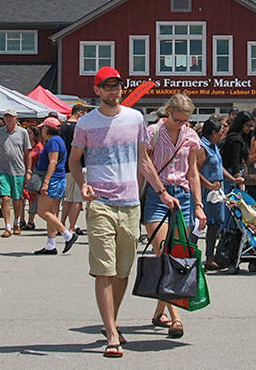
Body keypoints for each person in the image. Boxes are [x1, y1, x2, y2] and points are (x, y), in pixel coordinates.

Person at [68, 67, 179, 358]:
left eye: (117, 86)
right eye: (107, 87)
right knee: (104, 271)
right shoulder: (86, 124)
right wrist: (83, 185)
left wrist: (162, 192)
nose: (113, 91)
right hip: (101, 203)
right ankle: (113, 334)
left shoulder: (135, 119)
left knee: (122, 272)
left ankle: (112, 322)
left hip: (131, 203)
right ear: (97, 90)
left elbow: (144, 160)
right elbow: (75, 160)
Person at [143, 93, 207, 338]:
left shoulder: (190, 135)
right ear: (167, 111)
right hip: (157, 195)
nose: (181, 124)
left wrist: (199, 205)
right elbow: (144, 165)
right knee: (165, 255)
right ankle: (176, 318)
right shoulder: (152, 133)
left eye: (185, 120)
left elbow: (192, 172)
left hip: (183, 195)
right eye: (177, 119)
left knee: (176, 257)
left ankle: (160, 311)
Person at [30, 116, 77, 255]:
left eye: (43, 128)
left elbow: (53, 162)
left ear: (47, 129)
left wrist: (46, 182)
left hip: (53, 180)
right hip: (58, 179)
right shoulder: (58, 140)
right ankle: (51, 244)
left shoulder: (53, 142)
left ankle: (67, 234)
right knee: (51, 213)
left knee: (42, 211)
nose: (41, 131)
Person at [0, 110, 32, 237]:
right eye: (6, 117)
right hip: (3, 170)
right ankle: (7, 226)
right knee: (5, 198)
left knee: (17, 198)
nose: (8, 119)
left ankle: (17, 222)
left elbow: (28, 153)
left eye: (11, 117)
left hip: (18, 170)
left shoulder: (23, 132)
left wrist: (28, 170)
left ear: (16, 119)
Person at [197, 117, 229, 268]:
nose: (222, 135)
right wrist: (208, 185)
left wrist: (232, 179)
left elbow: (219, 166)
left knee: (216, 224)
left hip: (217, 190)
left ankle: (210, 257)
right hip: (205, 192)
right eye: (221, 133)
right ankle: (191, 256)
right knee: (199, 225)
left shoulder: (214, 146)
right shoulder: (202, 147)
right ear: (214, 133)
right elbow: (195, 170)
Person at [60, 104, 90, 236]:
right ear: (80, 113)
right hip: (79, 165)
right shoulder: (80, 127)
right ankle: (72, 227)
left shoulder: (61, 127)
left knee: (67, 199)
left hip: (64, 166)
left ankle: (61, 225)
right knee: (77, 199)